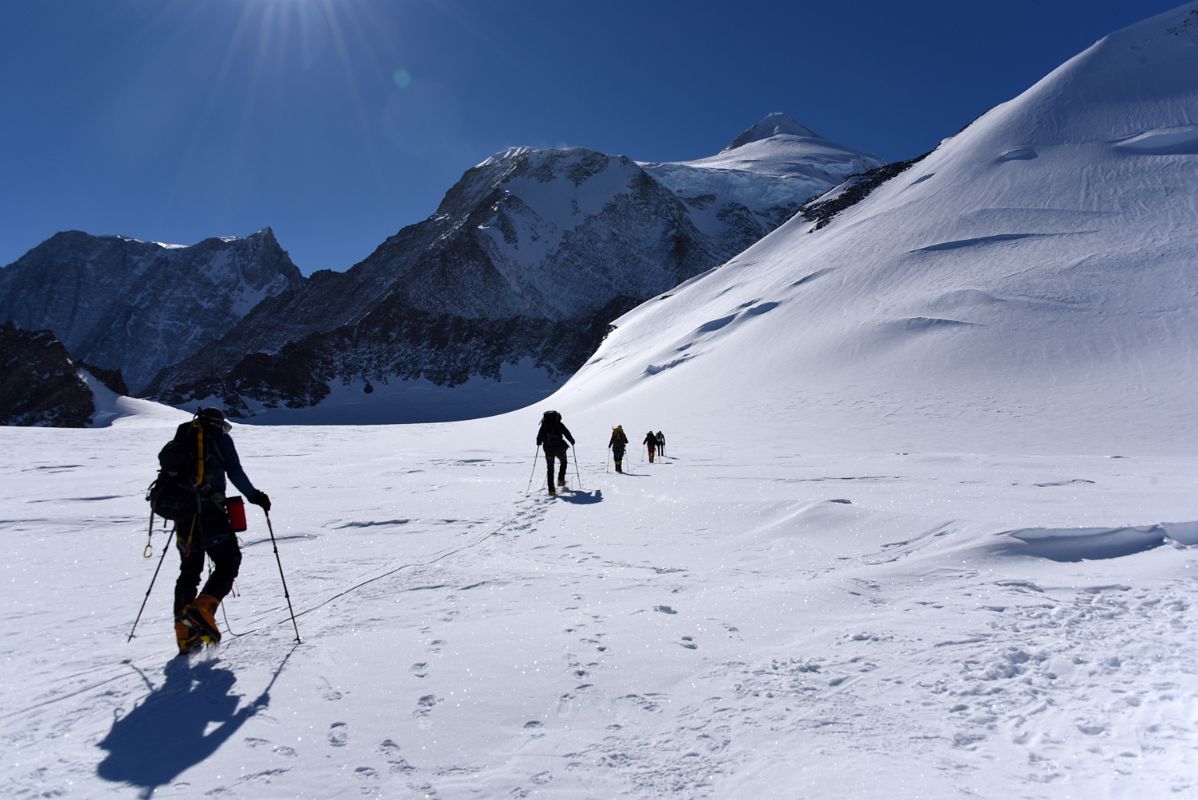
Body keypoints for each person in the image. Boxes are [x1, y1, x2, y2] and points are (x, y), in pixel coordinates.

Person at [173, 407, 270, 654]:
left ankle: (184, 634)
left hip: (183, 515)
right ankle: (202, 610)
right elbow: (234, 471)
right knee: (229, 562)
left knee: (189, 572)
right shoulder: (220, 439)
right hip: (211, 512)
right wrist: (254, 495)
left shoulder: (183, 437)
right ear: (219, 424)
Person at [536, 410, 575, 496]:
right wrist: (572, 441)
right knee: (563, 461)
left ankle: (551, 491)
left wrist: (539, 442)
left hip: (548, 449)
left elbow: (539, 436)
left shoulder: (544, 425)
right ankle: (561, 480)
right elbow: (566, 432)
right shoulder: (558, 424)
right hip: (559, 448)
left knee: (550, 469)